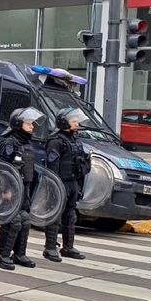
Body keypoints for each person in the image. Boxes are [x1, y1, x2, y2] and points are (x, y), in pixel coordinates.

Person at [0, 107, 46, 271]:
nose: (32, 126)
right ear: (18, 123)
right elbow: (3, 169)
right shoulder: (9, 142)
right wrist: (5, 190)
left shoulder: (26, 143)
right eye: (29, 123)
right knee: (13, 221)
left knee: (25, 220)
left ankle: (19, 253)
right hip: (11, 188)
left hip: (25, 186)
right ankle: (2, 255)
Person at [44, 108, 91, 261]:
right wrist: (54, 187)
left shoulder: (76, 141)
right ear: (64, 122)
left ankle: (68, 247)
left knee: (70, 216)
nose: (77, 124)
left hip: (73, 183)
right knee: (55, 215)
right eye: (73, 121)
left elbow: (83, 163)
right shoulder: (56, 141)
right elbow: (52, 166)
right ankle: (50, 248)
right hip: (60, 183)